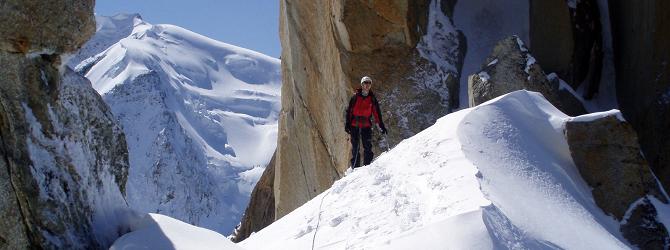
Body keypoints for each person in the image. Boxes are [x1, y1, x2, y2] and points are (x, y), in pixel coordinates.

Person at [345, 76, 387, 169]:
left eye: (369, 83)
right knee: (356, 147)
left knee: (367, 145)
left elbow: (377, 113)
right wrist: (347, 124)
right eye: (365, 83)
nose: (367, 85)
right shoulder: (355, 97)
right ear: (362, 84)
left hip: (366, 125)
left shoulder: (372, 99)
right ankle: (355, 167)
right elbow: (349, 111)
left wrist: (381, 126)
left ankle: (367, 167)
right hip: (354, 124)